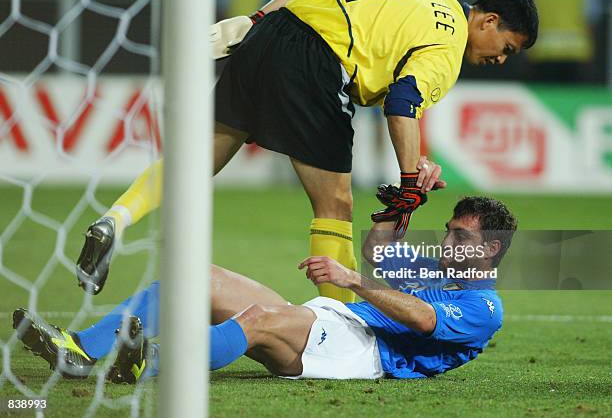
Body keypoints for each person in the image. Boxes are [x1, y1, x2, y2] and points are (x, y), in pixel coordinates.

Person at [76, 0, 538, 304]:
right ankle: (338, 321)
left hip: (273, 32)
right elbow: (403, 102)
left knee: (196, 164)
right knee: (335, 204)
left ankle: (115, 219)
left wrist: (257, 20)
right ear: (488, 21)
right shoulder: (448, 45)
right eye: (507, 48)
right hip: (316, 61)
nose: (501, 59)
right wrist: (410, 180)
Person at [13, 195, 517, 382]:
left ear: (490, 249)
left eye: (462, 235)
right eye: (449, 229)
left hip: (365, 356)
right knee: (195, 277)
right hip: (338, 323)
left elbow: (422, 320)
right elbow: (378, 250)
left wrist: (352, 282)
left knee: (254, 322)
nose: (448, 238)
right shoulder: (433, 268)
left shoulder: (484, 307)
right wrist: (408, 198)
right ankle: (81, 348)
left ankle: (151, 364)